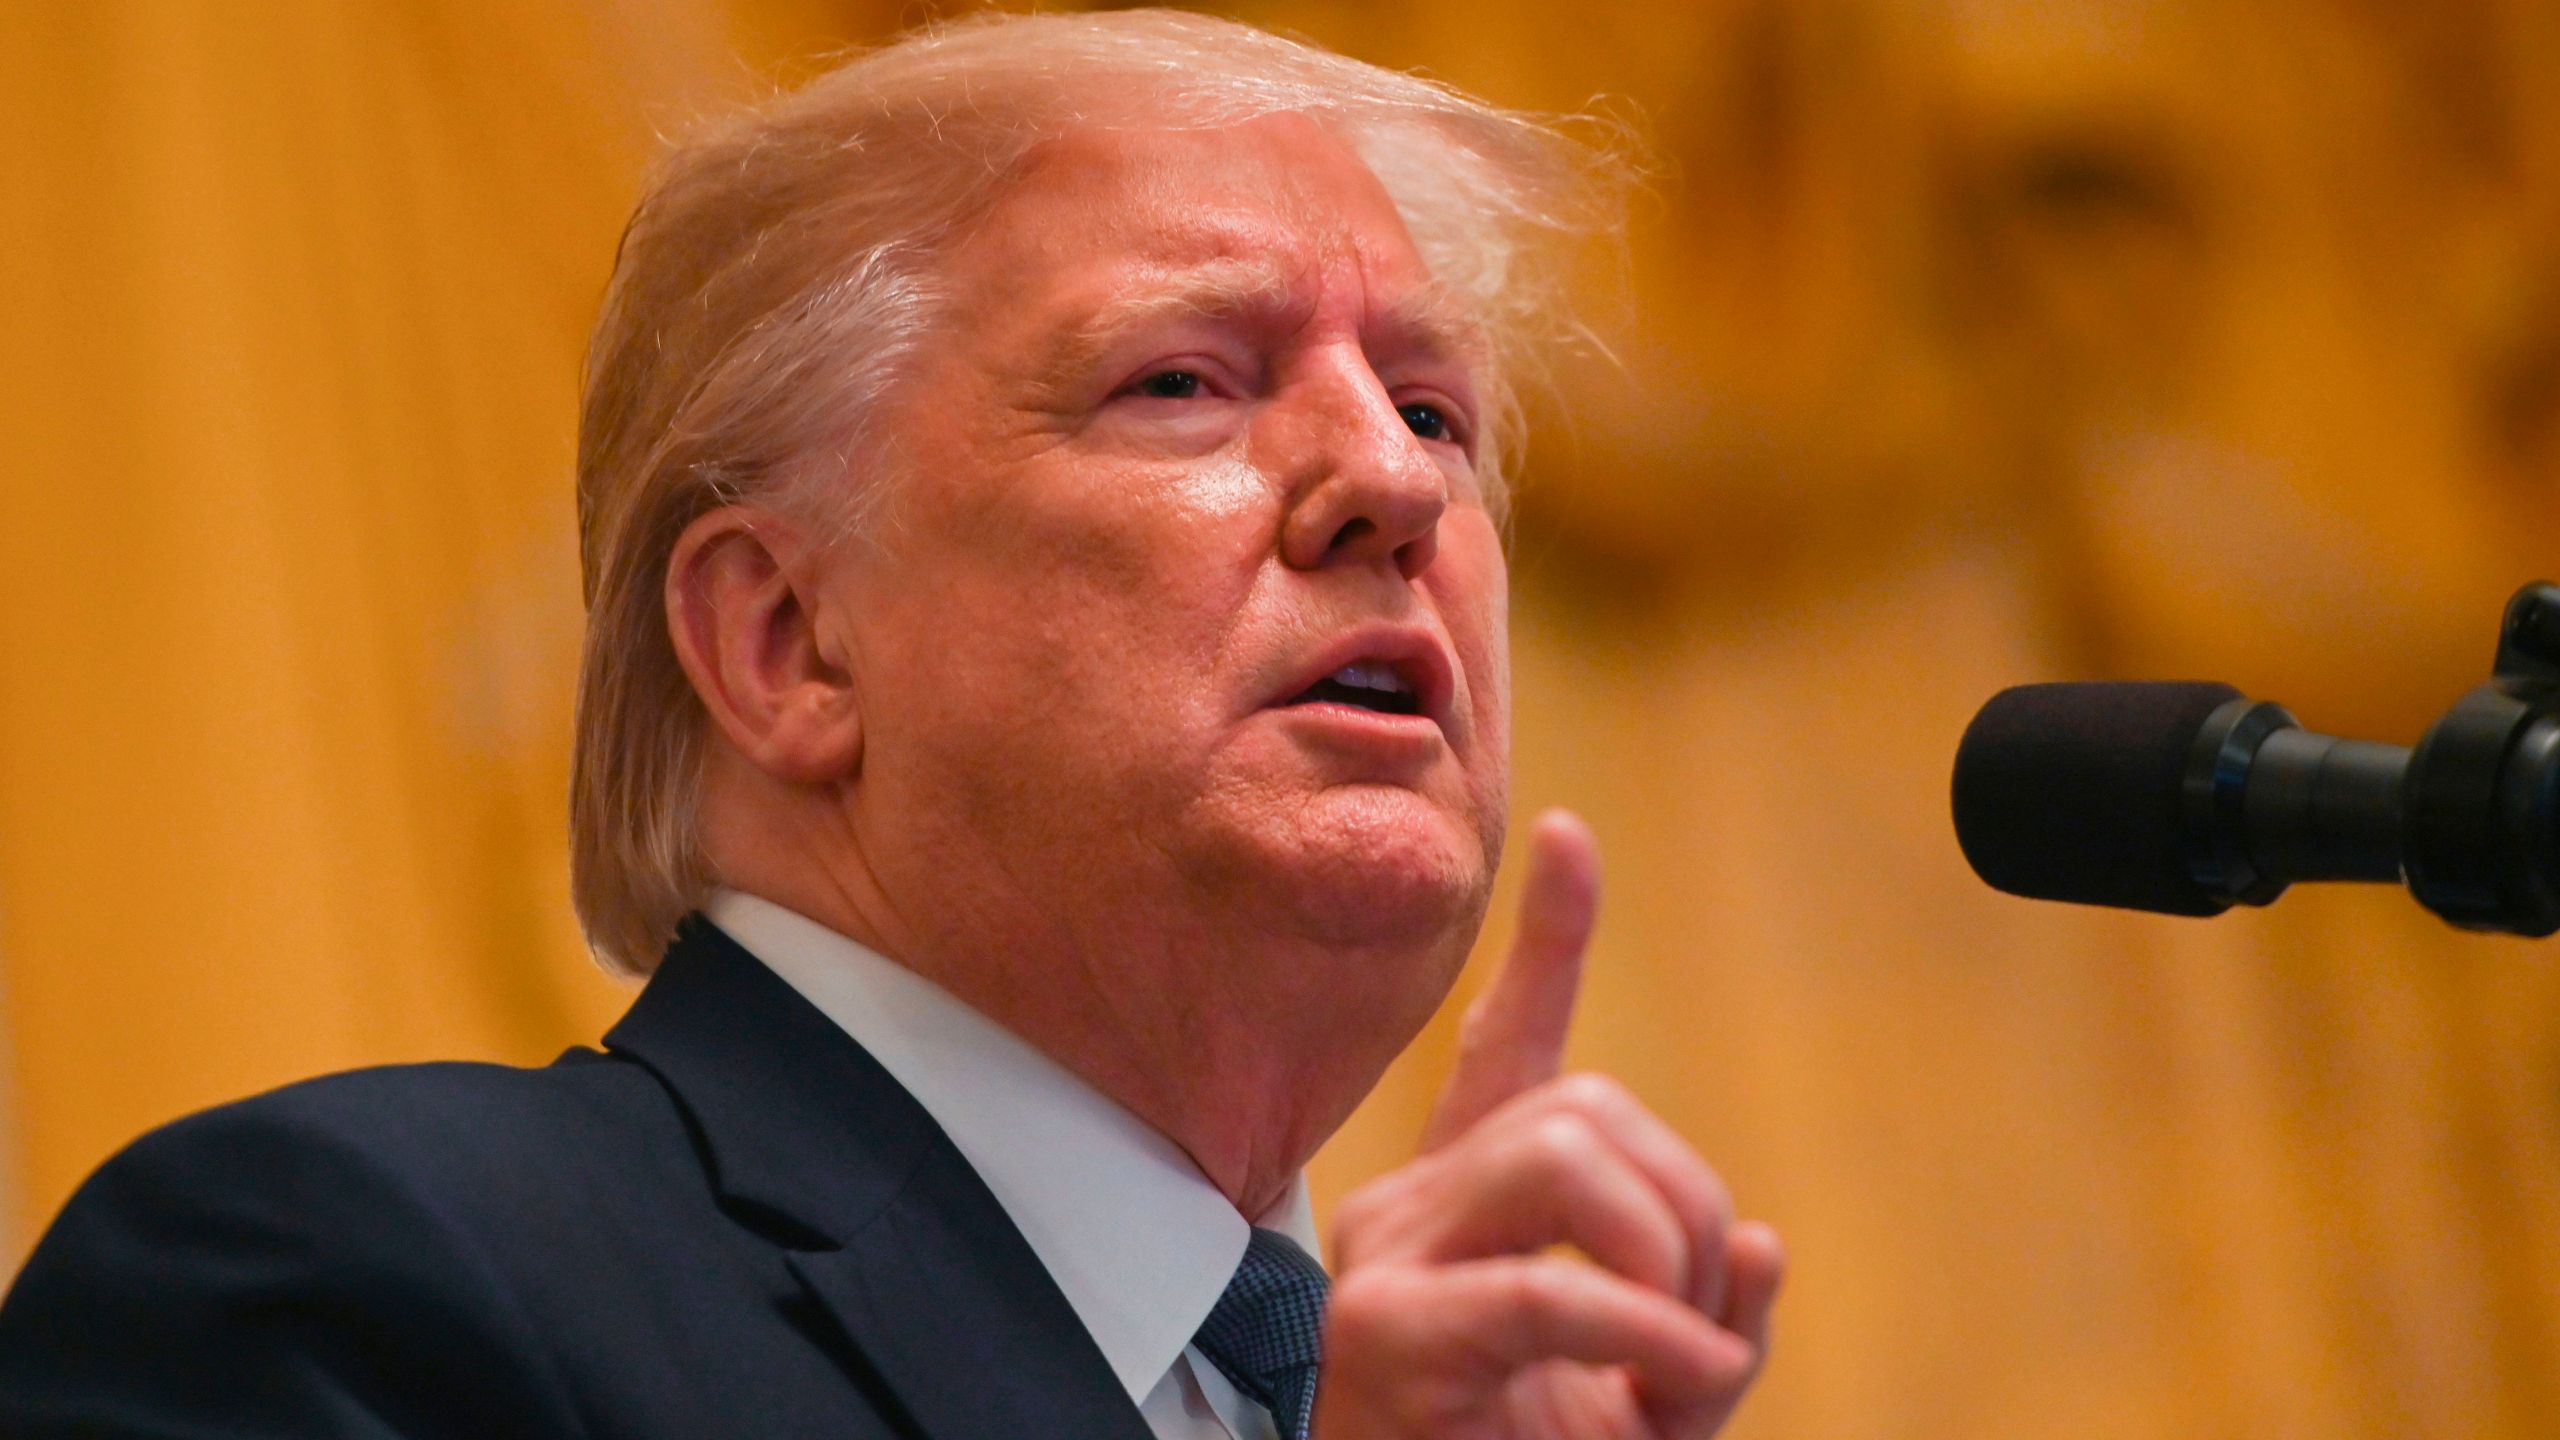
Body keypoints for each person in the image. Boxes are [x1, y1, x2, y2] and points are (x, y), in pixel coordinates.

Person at [0, 11, 1782, 1437]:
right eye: (1181, 382)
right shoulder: (349, 1289)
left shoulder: (1470, 1397)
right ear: (788, 643)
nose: (1392, 482)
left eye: (1433, 409)